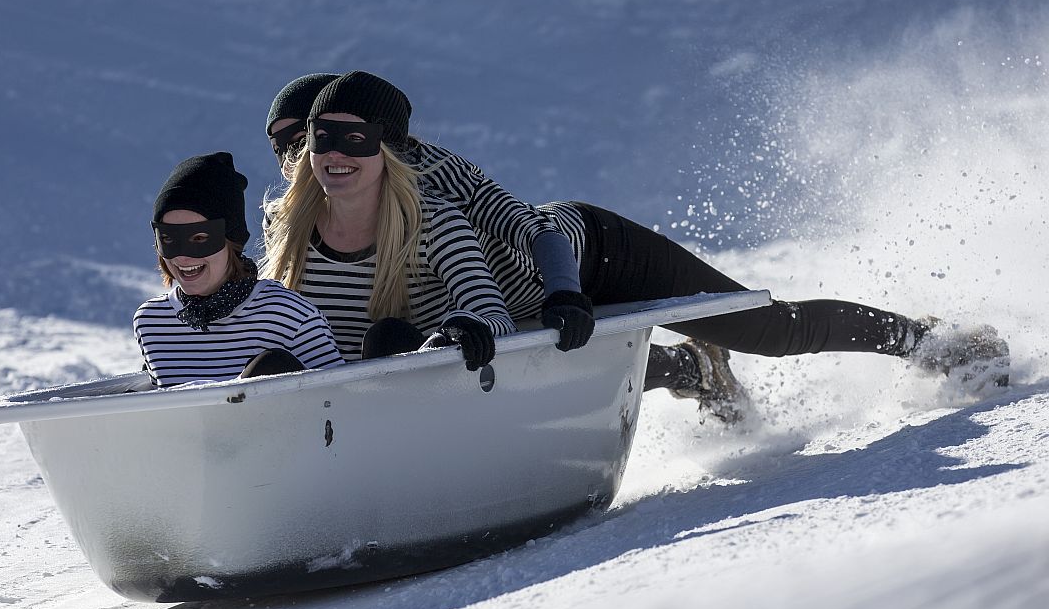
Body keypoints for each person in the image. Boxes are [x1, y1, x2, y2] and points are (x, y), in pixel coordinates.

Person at [264, 72, 1010, 423]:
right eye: (287, 144)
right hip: (512, 311)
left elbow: (535, 229)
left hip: (590, 256)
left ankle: (928, 341)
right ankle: (694, 371)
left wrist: (565, 291)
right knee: (542, 376)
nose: (301, 155)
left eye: (313, 136)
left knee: (766, 332)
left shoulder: (432, 180)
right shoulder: (309, 222)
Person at [261, 72, 516, 370]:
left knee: (388, 336)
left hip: (411, 390)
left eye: (355, 139)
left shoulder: (434, 226)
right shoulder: (284, 222)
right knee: (270, 362)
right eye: (323, 137)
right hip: (319, 392)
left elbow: (496, 318)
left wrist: (461, 330)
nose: (335, 154)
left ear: (388, 151)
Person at [134, 151, 344, 387]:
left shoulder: (289, 315)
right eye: (168, 239)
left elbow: (339, 398)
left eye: (200, 238)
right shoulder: (152, 323)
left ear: (232, 240)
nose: (183, 256)